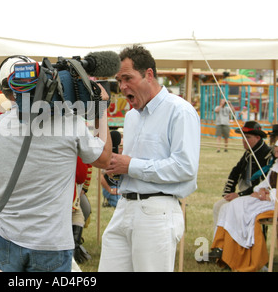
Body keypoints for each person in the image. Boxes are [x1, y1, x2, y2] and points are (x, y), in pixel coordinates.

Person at [0, 56, 112, 272]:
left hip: (6, 241)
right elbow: (104, 158)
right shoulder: (70, 124)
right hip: (53, 243)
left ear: (6, 92)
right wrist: (100, 108)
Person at [98, 44, 201, 272]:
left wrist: (131, 165)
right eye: (119, 80)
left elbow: (185, 167)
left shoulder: (180, 111)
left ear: (149, 75)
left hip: (157, 211)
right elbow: (132, 165)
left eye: (128, 78)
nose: (122, 86)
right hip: (124, 207)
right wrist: (117, 169)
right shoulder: (131, 116)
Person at [207, 140, 278, 271]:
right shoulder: (275, 165)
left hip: (274, 203)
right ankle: (224, 250)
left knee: (251, 217)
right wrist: (259, 190)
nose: (275, 151)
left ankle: (254, 261)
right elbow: (264, 183)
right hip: (266, 198)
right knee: (233, 206)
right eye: (276, 149)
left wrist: (270, 195)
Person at [212, 121, 271, 232]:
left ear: (258, 138)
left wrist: (239, 195)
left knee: (224, 208)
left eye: (247, 137)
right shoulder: (249, 152)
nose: (244, 140)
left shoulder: (266, 155)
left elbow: (262, 184)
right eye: (243, 137)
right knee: (219, 206)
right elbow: (235, 171)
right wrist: (228, 192)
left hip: (259, 197)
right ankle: (219, 245)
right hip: (246, 195)